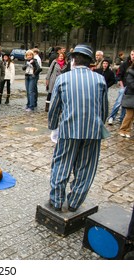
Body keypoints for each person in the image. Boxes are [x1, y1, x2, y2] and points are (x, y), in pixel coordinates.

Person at [48, 44, 108, 212]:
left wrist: (53, 128)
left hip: (68, 129)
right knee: (86, 169)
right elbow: (104, 110)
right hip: (92, 131)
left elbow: (54, 109)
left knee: (61, 164)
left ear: (73, 60)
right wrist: (97, 125)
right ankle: (74, 202)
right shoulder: (100, 80)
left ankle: (57, 200)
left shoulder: (63, 78)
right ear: (90, 62)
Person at [108, 50, 134, 125]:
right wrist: (122, 86)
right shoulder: (125, 64)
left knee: (126, 104)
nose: (133, 56)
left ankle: (122, 119)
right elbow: (119, 75)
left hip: (131, 88)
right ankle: (112, 117)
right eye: (132, 54)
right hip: (125, 86)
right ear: (130, 55)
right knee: (118, 102)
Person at [118, 62, 134, 138]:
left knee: (132, 116)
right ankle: (122, 129)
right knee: (129, 115)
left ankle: (128, 130)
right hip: (131, 96)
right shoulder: (130, 72)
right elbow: (131, 84)